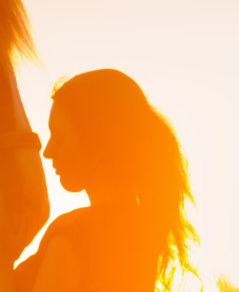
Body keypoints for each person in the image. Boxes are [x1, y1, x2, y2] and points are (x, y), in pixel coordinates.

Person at [13, 69, 197, 292]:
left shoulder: (75, 232)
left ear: (99, 146)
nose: (48, 152)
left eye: (59, 138)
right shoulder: (142, 236)